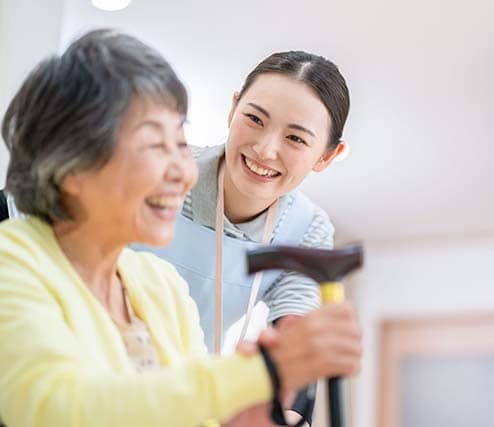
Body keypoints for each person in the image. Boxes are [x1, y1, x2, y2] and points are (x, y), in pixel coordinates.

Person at [0, 29, 361, 427]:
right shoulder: (12, 264)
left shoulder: (159, 284)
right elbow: (57, 409)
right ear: (71, 164)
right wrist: (255, 376)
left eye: (180, 142)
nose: (186, 171)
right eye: (156, 145)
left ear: (327, 156)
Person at [138, 49, 351, 425]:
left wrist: (284, 412)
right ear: (233, 108)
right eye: (254, 118)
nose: (265, 149)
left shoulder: (306, 231)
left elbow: (293, 350)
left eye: (296, 139)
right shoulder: (160, 172)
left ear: (328, 156)